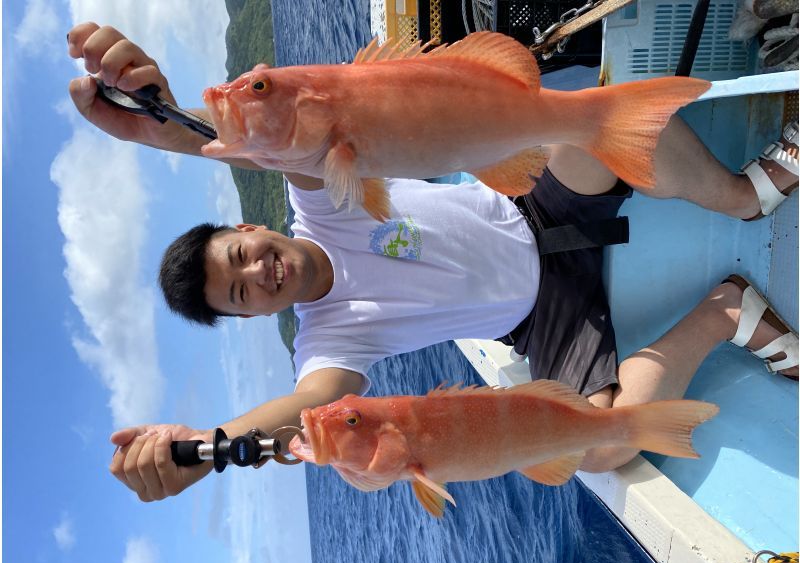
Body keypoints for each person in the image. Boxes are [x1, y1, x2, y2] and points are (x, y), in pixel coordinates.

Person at [66, 23, 799, 503]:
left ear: (250, 224)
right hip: (539, 322)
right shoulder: (329, 342)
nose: (257, 275)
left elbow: (279, 131)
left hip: (539, 211)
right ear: (254, 317)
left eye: (239, 257)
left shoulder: (322, 198)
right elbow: (301, 415)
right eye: (238, 297)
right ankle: (727, 312)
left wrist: (165, 122)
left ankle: (740, 198)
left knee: (585, 114)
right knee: (600, 447)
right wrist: (206, 449)